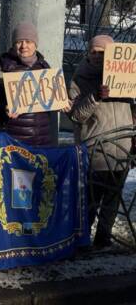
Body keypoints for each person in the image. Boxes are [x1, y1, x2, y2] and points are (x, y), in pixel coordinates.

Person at [68, 34, 135, 248]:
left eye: (103, 52)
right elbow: (76, 115)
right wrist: (96, 96)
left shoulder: (126, 76)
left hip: (122, 148)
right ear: (88, 53)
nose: (97, 56)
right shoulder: (79, 78)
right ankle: (82, 240)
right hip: (95, 150)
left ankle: (103, 239)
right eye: (93, 51)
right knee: (91, 200)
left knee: (113, 200)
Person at [0, 22, 70, 146]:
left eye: (28, 41)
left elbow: (49, 99)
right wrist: (3, 107)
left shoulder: (44, 67)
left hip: (41, 140)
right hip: (11, 141)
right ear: (13, 44)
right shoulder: (0, 67)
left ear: (35, 44)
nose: (24, 46)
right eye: (19, 42)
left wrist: (61, 102)